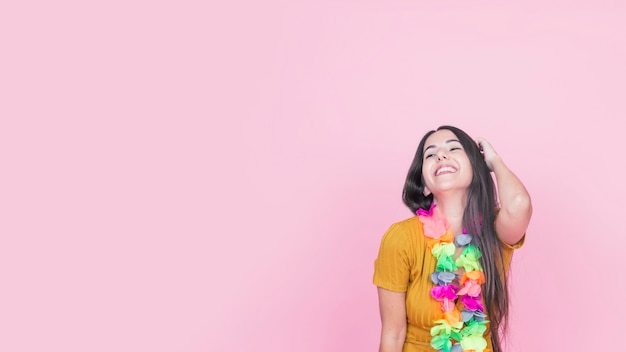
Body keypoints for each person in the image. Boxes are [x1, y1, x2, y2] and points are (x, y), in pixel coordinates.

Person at [373, 125, 532, 352]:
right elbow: (392, 334)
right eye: (430, 154)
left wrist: (494, 161)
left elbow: (519, 204)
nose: (441, 155)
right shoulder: (400, 238)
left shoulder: (494, 229)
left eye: (453, 148)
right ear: (425, 185)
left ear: (475, 169)